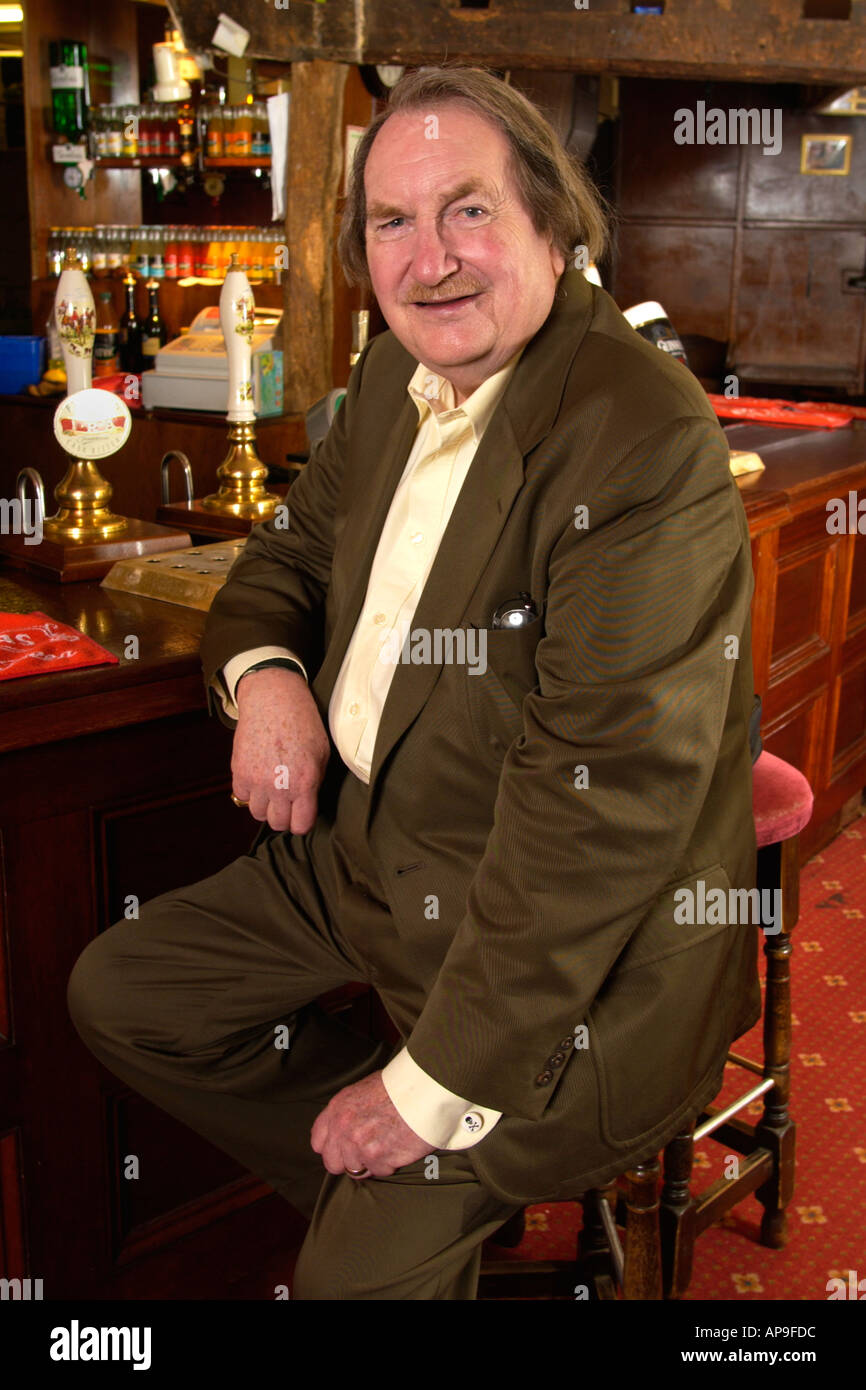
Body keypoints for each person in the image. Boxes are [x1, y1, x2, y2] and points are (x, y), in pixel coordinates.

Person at [67, 65, 761, 1300]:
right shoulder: (393, 375)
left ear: (551, 223)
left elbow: (594, 819)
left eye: (468, 209)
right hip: (367, 860)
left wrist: (421, 1092)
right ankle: (388, 1202)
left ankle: (401, 1197)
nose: (429, 258)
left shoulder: (639, 441)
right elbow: (282, 555)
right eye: (392, 220)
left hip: (564, 952)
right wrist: (269, 676)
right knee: (124, 990)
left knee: (346, 1287)